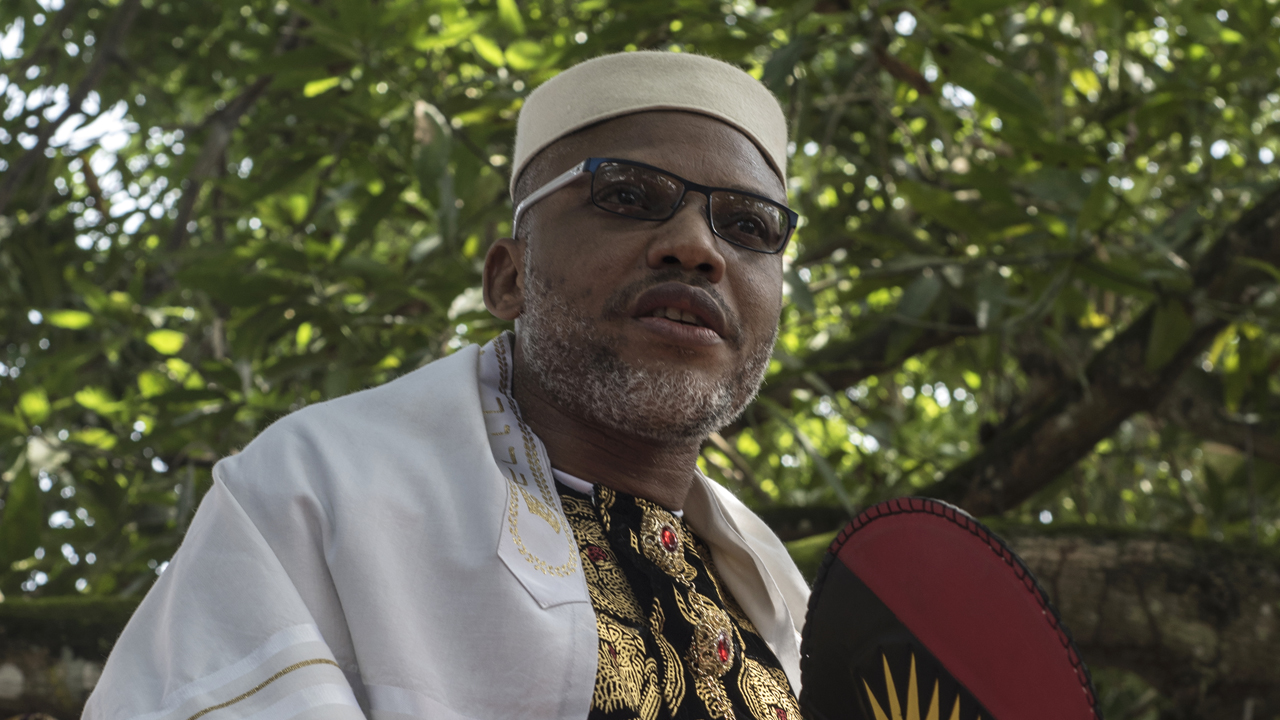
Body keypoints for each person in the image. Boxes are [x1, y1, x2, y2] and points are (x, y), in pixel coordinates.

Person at [85, 51, 809, 720]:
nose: (697, 247)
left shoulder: (795, 609)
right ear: (509, 277)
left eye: (749, 225)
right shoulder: (315, 491)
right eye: (626, 196)